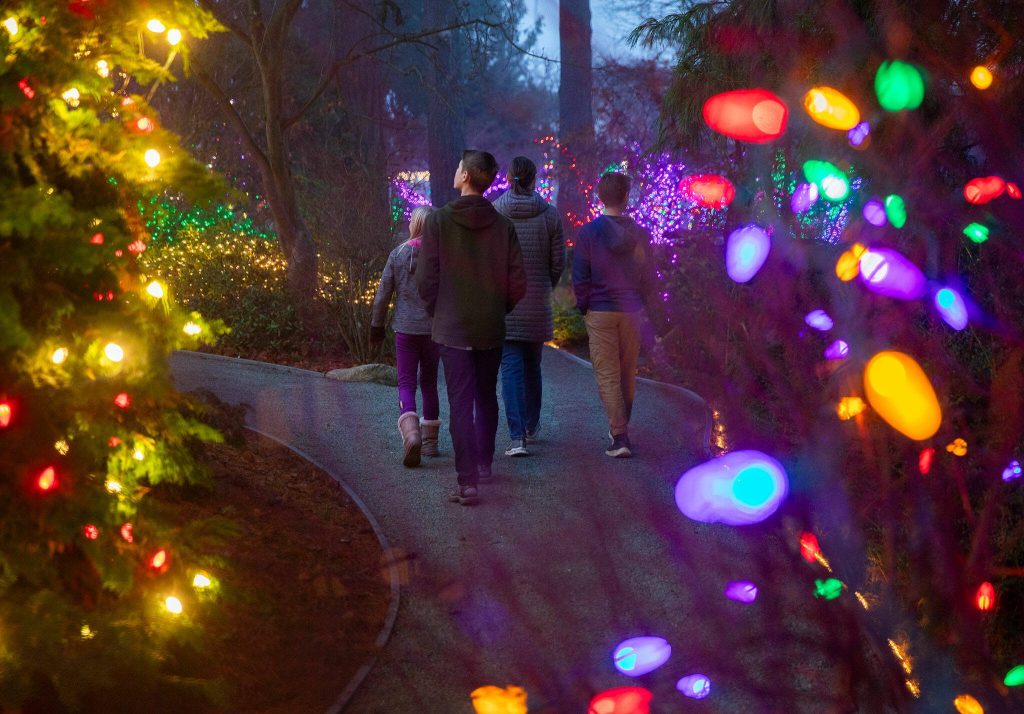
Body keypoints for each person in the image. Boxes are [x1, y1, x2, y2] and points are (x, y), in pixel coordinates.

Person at [417, 149, 527, 505]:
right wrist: (498, 307)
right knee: (485, 397)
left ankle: (467, 481)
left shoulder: (437, 222)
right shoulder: (503, 227)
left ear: (465, 175)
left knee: (460, 402)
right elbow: (517, 282)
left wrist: (438, 311)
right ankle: (483, 463)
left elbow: (426, 278)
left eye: (457, 166)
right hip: (489, 326)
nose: (454, 170)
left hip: (452, 327)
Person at [572, 172, 657, 458]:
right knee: (626, 372)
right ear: (625, 197)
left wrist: (584, 305)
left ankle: (619, 436)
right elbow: (648, 274)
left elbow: (580, 275)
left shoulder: (588, 233)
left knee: (608, 374)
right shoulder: (639, 233)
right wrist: (642, 301)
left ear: (600, 197)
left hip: (600, 309)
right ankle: (621, 429)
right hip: (630, 309)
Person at [493, 156, 565, 457]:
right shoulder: (549, 215)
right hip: (535, 301)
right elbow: (558, 261)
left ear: (509, 177)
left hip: (505, 303)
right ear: (534, 179)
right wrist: (544, 283)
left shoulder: (495, 212)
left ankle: (516, 436)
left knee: (510, 367)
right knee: (533, 365)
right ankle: (532, 425)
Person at [370, 206, 441, 467]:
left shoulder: (398, 254)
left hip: (406, 329)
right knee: (430, 382)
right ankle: (431, 443)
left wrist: (377, 326)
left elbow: (382, 296)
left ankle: (411, 435)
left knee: (407, 382)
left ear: (413, 225)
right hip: (434, 330)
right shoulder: (442, 257)